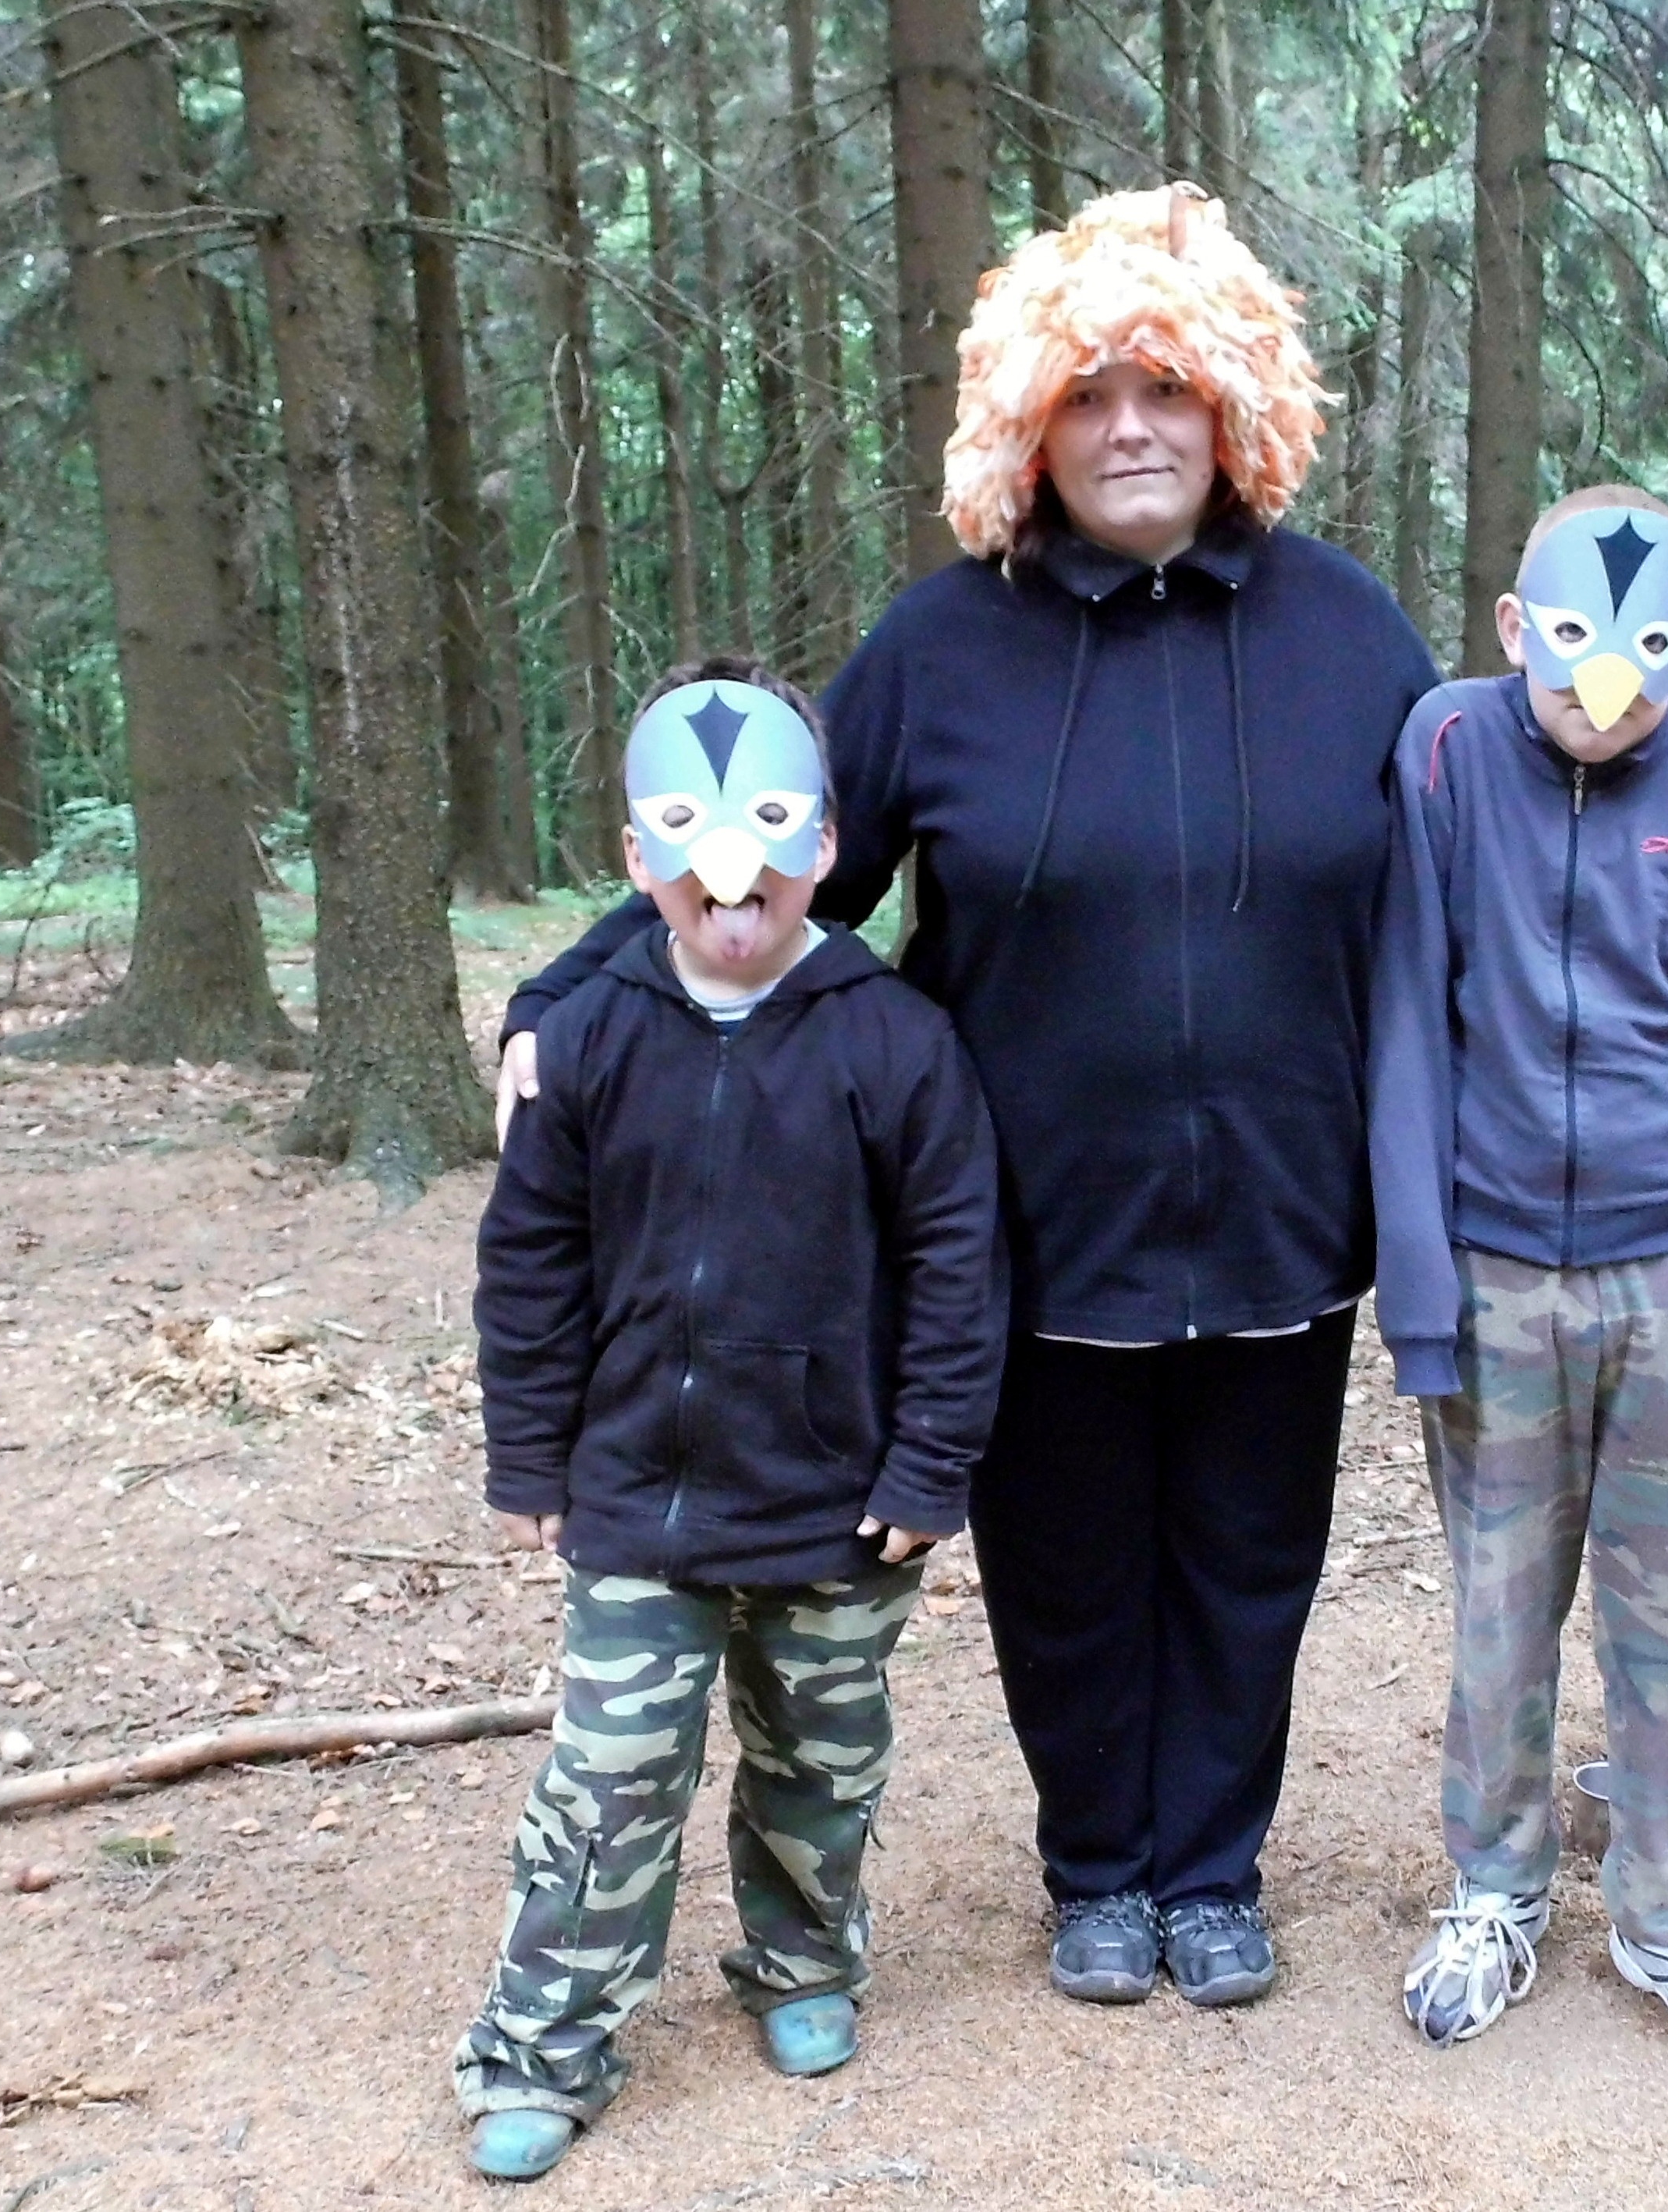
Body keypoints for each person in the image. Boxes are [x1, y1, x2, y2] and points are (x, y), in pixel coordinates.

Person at [492, 187, 1442, 2010]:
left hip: (1284, 1213)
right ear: (1027, 424)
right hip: (1026, 1225)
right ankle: (1096, 1867)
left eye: (1165, 388)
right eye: (1086, 397)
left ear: (1233, 404)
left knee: (1248, 1562)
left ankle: (1209, 1869)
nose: (1130, 429)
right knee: (1067, 1572)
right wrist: (566, 994)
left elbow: (1461, 889)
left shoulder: (1347, 633)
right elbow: (761, 866)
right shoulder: (942, 647)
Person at [453, 661, 1006, 2181]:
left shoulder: (894, 1042)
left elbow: (960, 1270)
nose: (730, 875)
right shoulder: (587, 1040)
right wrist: (529, 1452)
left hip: (835, 1502)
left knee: (819, 1763)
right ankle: (544, 2044)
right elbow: (528, 1263)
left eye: (767, 831)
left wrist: (929, 1463)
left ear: (821, 841)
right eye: (688, 839)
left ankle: (802, 1961)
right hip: (639, 1498)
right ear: (638, 856)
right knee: (610, 1777)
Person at [1366, 488, 1668, 2084]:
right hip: (1494, 1270)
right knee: (1498, 1608)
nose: (1604, 682)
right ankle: (1494, 1890)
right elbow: (1407, 1017)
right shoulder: (1443, 748)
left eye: (1647, 646)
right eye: (1570, 639)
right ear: (1513, 627)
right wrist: (1418, 1289)